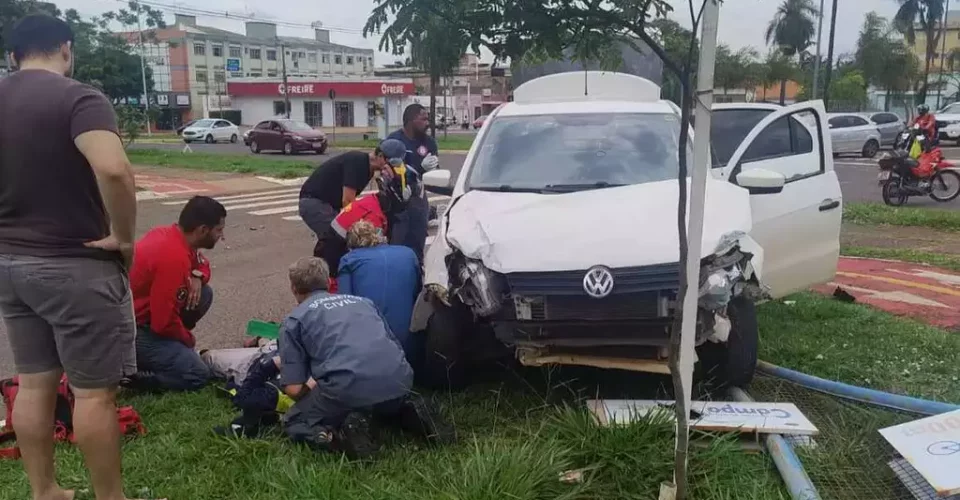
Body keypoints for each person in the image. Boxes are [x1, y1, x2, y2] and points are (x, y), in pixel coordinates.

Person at [0, 14, 144, 500]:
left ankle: (45, 491)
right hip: (72, 263)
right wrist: (123, 237)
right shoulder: (78, 97)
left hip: (9, 265)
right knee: (92, 394)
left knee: (35, 384)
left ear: (12, 55)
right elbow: (114, 169)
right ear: (65, 48)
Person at [279, 257, 453, 459]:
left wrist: (312, 383)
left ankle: (338, 437)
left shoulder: (294, 321)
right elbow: (392, 343)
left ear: (293, 288)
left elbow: (293, 389)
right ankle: (407, 410)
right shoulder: (364, 302)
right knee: (380, 399)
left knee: (294, 420)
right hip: (399, 380)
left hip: (348, 390)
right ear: (328, 282)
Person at [129, 196, 226, 391]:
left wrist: (197, 276)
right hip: (132, 331)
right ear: (202, 230)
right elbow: (162, 323)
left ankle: (169, 351)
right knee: (198, 374)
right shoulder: (173, 258)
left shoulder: (172, 236)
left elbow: (202, 264)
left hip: (143, 318)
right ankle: (142, 377)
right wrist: (187, 340)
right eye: (219, 230)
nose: (222, 236)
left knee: (204, 294)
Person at [298, 139, 407, 276]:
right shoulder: (358, 162)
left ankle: (321, 272)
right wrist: (361, 230)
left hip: (327, 205)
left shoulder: (368, 169)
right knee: (338, 239)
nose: (393, 167)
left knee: (333, 241)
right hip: (314, 203)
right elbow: (348, 200)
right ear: (380, 157)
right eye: (391, 163)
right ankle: (320, 277)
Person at [338, 221, 422, 369]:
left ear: (351, 245)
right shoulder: (408, 253)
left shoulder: (349, 260)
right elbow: (417, 292)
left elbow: (345, 305)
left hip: (371, 351)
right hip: (412, 348)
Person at [387, 104, 442, 263]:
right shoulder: (394, 141)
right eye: (423, 119)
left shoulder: (429, 142)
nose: (427, 123)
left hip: (418, 201)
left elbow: (434, 173)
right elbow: (392, 173)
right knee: (397, 244)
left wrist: (433, 170)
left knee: (417, 245)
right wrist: (419, 168)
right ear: (411, 120)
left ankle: (417, 277)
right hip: (396, 202)